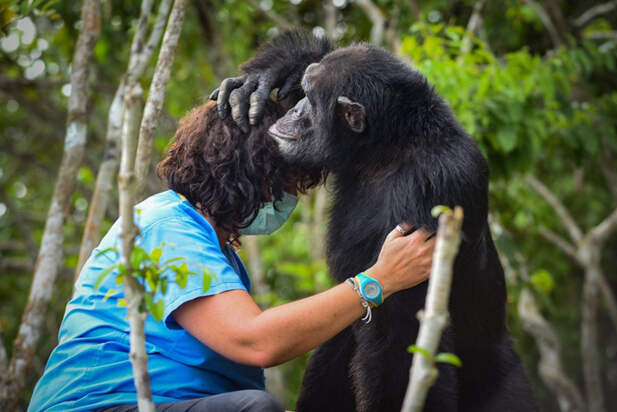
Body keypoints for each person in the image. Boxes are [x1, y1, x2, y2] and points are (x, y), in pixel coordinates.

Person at [28, 100, 436, 412]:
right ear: (250, 175)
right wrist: (378, 280)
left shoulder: (213, 247)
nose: (292, 197)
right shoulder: (166, 226)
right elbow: (256, 341)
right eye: (289, 183)